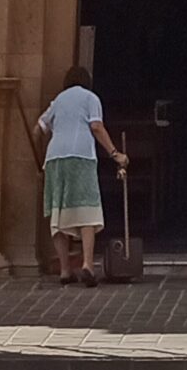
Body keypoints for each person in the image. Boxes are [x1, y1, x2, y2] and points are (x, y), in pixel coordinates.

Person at [35, 66, 127, 283]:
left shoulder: (57, 101)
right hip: (80, 156)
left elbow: (38, 128)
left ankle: (65, 270)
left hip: (54, 158)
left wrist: (40, 157)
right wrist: (115, 154)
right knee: (87, 209)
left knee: (58, 212)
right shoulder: (90, 98)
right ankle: (87, 264)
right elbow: (96, 126)